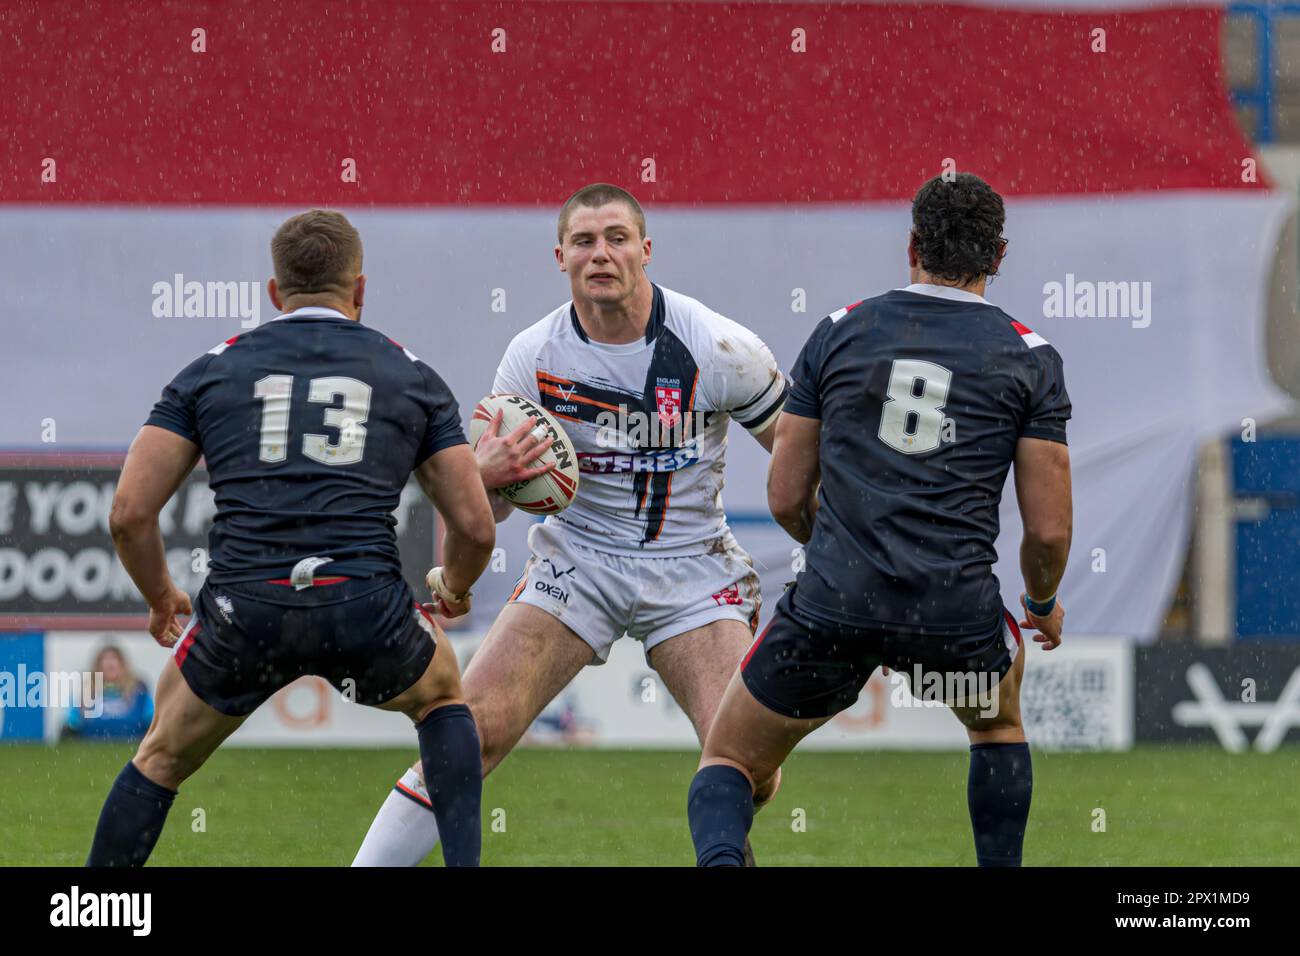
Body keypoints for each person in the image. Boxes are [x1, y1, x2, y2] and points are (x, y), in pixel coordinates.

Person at [353, 183, 788, 866]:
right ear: (560, 257)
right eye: (584, 242)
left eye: (617, 237)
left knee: (749, 765)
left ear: (646, 249)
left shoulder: (720, 346)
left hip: (695, 570)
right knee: (470, 732)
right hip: (576, 565)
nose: (601, 254)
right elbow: (486, 511)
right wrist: (484, 472)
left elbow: (800, 463)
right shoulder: (533, 356)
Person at [86, 210, 496, 867]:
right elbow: (475, 525)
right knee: (444, 696)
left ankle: (95, 910)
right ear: (359, 290)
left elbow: (129, 514)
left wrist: (162, 597)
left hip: (245, 609)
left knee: (161, 754)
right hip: (362, 605)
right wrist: (455, 584)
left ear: (275, 294)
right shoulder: (410, 375)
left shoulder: (211, 370)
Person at [687, 172, 1073, 867]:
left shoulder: (841, 329)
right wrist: (1042, 602)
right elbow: (1048, 531)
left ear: (913, 246)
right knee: (996, 729)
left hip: (837, 601)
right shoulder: (1030, 356)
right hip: (952, 610)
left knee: (730, 759)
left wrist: (836, 548)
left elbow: (784, 494)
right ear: (1000, 255)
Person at [64, 645, 153, 740]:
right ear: (97, 667)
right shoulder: (85, 695)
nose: (110, 664)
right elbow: (71, 725)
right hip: (92, 748)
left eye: (114, 659)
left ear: (123, 666)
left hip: (132, 747)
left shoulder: (139, 693)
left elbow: (153, 723)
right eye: (105, 660)